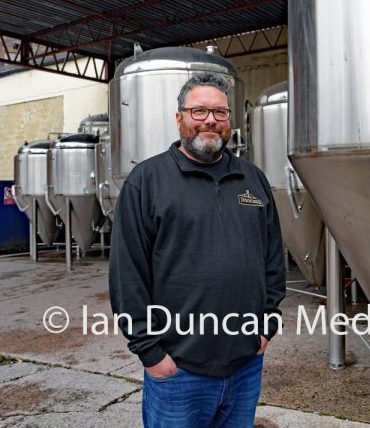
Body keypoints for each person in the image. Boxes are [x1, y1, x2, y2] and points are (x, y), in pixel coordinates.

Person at [109, 72, 286, 428]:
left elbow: (273, 259)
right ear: (179, 119)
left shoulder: (252, 179)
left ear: (230, 122)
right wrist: (151, 353)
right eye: (199, 111)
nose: (210, 121)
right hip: (178, 370)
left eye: (220, 113)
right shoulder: (147, 181)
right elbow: (127, 273)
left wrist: (267, 325)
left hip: (245, 364)